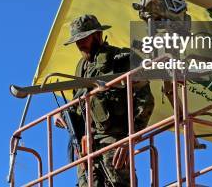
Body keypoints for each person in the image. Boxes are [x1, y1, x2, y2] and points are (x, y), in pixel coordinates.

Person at [54, 14, 155, 187]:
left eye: (84, 38)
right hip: (86, 145)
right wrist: (64, 116)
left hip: (114, 139)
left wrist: (129, 138)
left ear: (97, 36)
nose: (80, 44)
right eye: (77, 41)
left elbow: (145, 101)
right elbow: (79, 105)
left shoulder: (121, 59)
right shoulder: (82, 68)